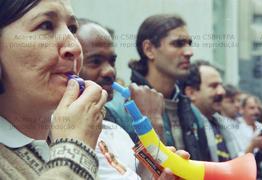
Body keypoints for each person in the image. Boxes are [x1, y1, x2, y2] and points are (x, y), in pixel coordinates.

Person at [0, 0, 108, 179]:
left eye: (73, 29)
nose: (75, 47)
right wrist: (74, 150)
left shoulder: (81, 133)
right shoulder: (76, 139)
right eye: (46, 25)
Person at [76, 18, 190, 180]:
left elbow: (142, 177)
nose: (110, 71)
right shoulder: (58, 131)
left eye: (112, 61)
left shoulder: (117, 132)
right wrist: (152, 122)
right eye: (95, 61)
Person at [107, 14, 211, 161]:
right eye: (178, 44)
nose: (189, 52)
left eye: (189, 43)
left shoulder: (194, 113)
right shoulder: (116, 110)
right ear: (149, 49)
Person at [183, 60, 235, 162]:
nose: (222, 92)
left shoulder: (222, 124)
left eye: (221, 85)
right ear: (191, 93)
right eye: (214, 86)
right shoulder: (187, 128)